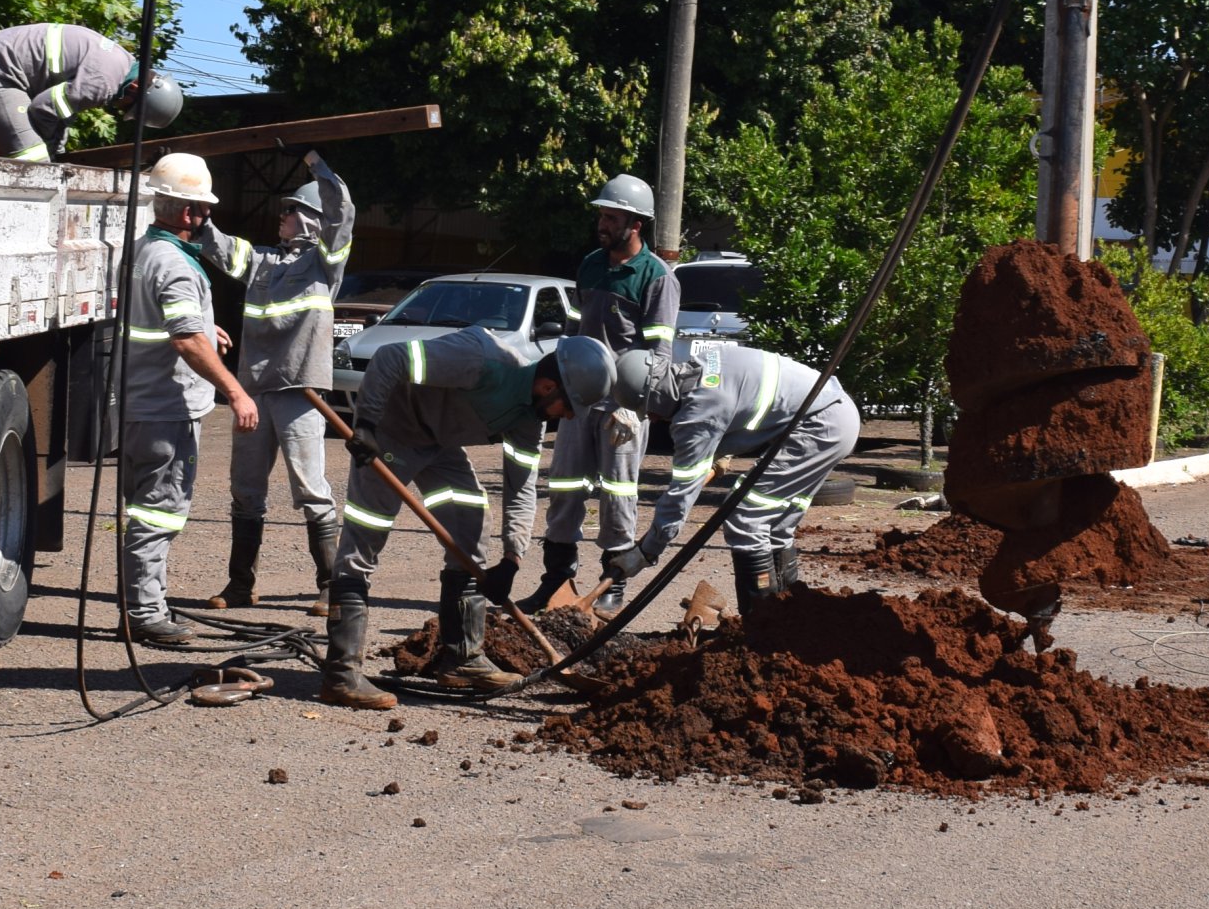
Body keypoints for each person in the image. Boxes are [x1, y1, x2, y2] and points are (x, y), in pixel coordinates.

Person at [316, 330, 586, 709]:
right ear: (546, 386)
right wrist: (366, 424)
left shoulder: (531, 419)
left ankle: (462, 659)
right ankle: (341, 675)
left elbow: (521, 489)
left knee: (470, 525)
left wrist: (512, 559)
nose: (570, 415)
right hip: (391, 435)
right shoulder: (479, 360)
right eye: (569, 405)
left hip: (439, 446)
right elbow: (390, 356)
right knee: (366, 537)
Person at [571, 335, 859, 615]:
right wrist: (723, 450)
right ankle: (787, 614)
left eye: (650, 412)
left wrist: (646, 552)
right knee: (776, 525)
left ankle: (760, 625)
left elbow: (681, 497)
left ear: (655, 396)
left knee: (746, 521)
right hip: (836, 415)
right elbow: (745, 397)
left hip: (818, 426)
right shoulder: (705, 362)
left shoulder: (696, 416)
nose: (655, 419)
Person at [510, 174, 680, 615]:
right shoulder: (590, 265)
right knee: (565, 486)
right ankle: (556, 581)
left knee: (618, 493)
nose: (602, 223)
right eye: (602, 215)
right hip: (578, 399)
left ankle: (613, 583)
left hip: (623, 406)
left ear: (635, 223)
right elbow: (577, 331)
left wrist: (635, 406)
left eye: (611, 216)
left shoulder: (656, 278)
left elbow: (658, 354)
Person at [197, 151, 355, 618]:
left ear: (310, 220)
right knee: (245, 488)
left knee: (310, 487)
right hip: (254, 390)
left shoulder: (326, 264)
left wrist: (321, 170)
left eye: (290, 209)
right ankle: (241, 584)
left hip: (301, 392)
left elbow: (343, 215)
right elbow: (219, 245)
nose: (281, 216)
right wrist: (198, 210)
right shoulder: (261, 261)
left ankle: (330, 586)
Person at [117, 153, 260, 649]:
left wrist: (202, 324)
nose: (206, 220)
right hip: (168, 408)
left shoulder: (139, 252)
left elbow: (168, 323)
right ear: (188, 214)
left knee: (142, 508)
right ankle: (144, 612)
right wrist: (235, 390)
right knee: (159, 512)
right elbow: (184, 340)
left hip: (136, 404)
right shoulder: (176, 265)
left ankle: (143, 601)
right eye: (203, 210)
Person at [0, 22, 183, 160]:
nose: (120, 109)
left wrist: (58, 149)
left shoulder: (121, 62)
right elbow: (43, 109)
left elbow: (61, 111)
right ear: (134, 89)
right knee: (33, 160)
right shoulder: (103, 83)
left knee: (44, 157)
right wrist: (49, 150)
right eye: (129, 107)